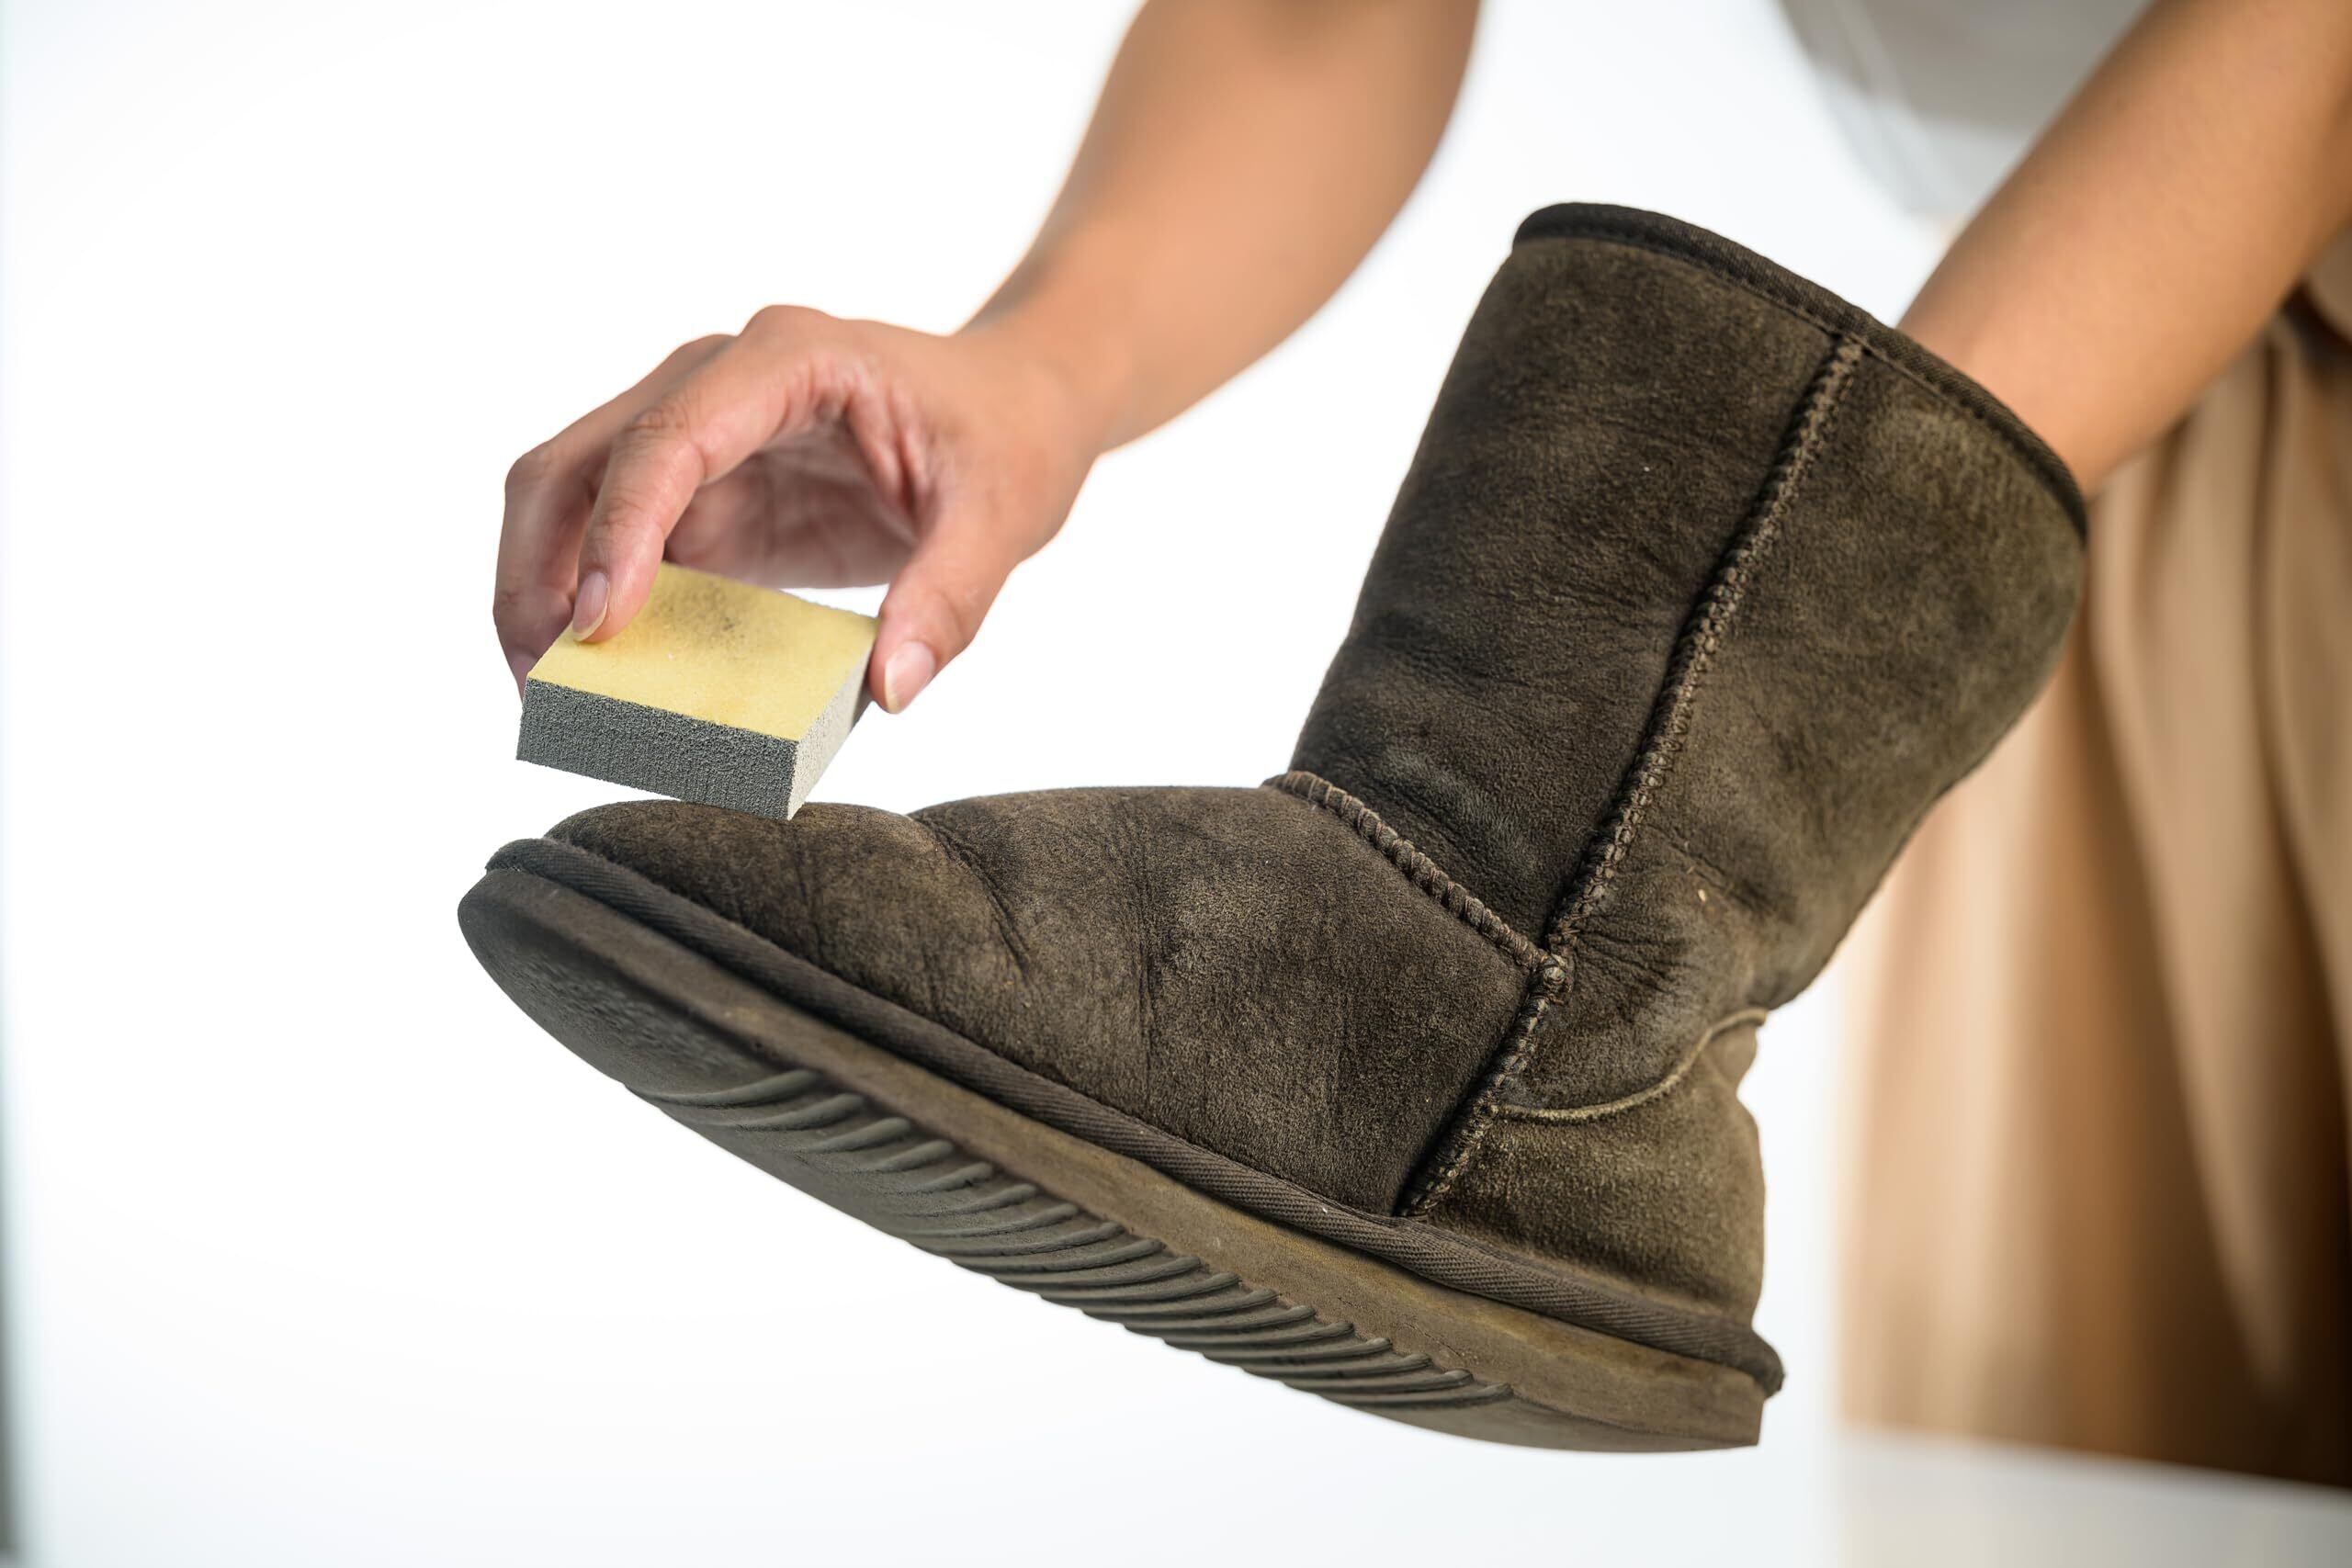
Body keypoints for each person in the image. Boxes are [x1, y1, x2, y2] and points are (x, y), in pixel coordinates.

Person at [490, 0, 2352, 1481]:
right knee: (2121, 1479)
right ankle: (1576, 1081)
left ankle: (1535, 1031)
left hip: (2068, 418)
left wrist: (1790, 560)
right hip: (2094, 447)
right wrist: (1039, 363)